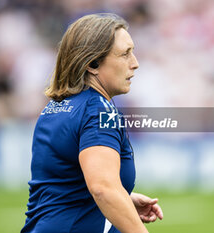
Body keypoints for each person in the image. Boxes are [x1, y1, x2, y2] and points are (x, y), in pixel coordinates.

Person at [21, 13, 163, 233]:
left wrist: (124, 199)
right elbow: (103, 189)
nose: (135, 64)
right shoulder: (99, 111)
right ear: (93, 63)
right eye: (125, 54)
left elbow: (66, 183)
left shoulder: (56, 106)